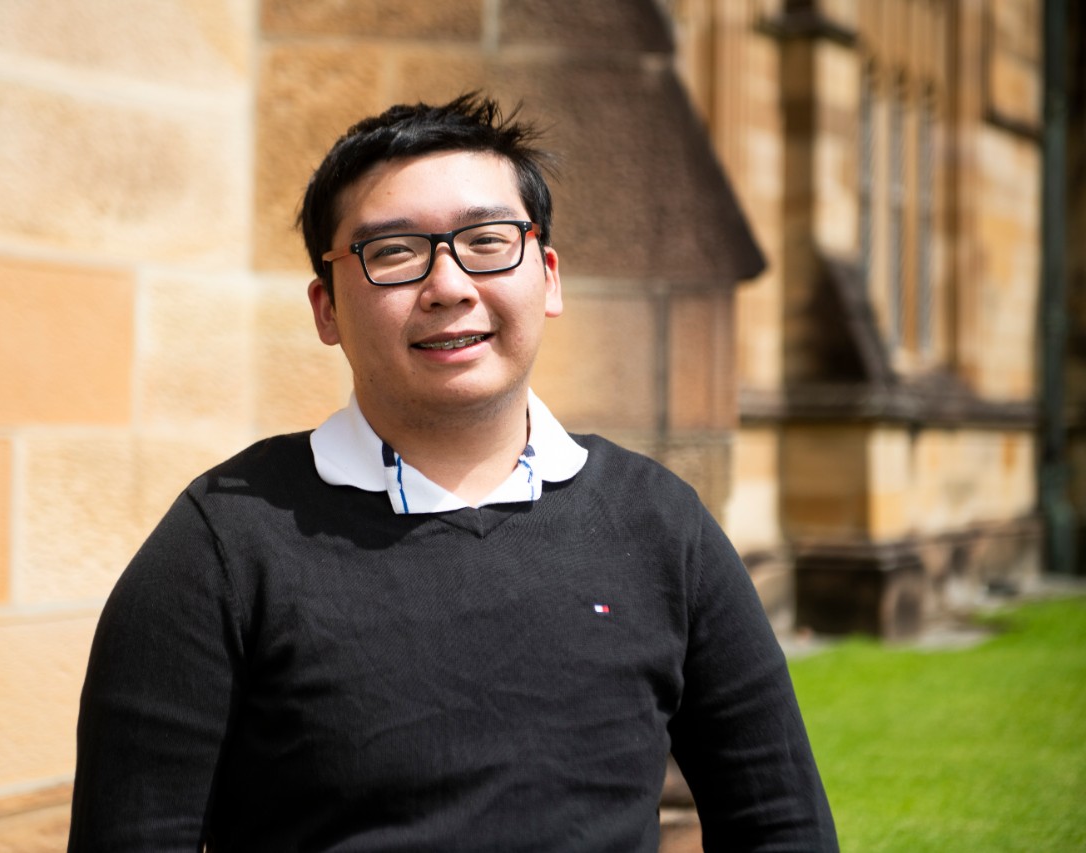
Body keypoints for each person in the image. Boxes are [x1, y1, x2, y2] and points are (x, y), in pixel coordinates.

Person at [68, 93, 839, 852]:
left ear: (549, 275)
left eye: (487, 240)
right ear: (326, 307)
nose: (449, 285)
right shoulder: (222, 544)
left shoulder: (659, 524)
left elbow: (780, 821)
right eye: (393, 252)